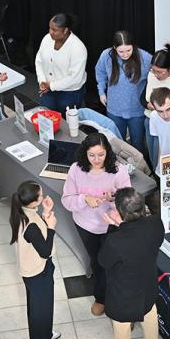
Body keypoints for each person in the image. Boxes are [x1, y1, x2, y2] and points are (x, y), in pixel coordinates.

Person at [61, 132, 131, 316]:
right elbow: (67, 200)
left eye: (101, 154)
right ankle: (100, 297)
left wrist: (114, 199)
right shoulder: (76, 169)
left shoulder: (118, 171)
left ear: (107, 152)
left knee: (114, 264)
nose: (97, 159)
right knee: (97, 262)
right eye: (92, 155)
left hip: (111, 225)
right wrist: (84, 198)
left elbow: (128, 202)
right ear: (85, 153)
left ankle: (117, 300)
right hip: (85, 226)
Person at [98, 187, 165, 339]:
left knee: (121, 333)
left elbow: (104, 260)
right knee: (150, 317)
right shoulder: (156, 223)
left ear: (120, 213)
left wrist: (113, 227)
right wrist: (122, 225)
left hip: (123, 295)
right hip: (148, 286)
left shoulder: (116, 240)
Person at [9, 180, 63, 339]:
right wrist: (52, 226)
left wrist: (46, 213)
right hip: (38, 273)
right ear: (33, 202)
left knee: (39, 309)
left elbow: (36, 235)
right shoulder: (30, 224)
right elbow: (45, 251)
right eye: (41, 195)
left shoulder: (23, 213)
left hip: (32, 271)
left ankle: (45, 333)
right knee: (41, 313)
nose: (43, 196)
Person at [95, 30, 151, 154]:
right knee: (116, 143)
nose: (125, 54)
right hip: (114, 108)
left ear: (133, 47)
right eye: (121, 51)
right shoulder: (106, 55)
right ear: (114, 48)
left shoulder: (145, 57)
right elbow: (100, 72)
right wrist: (101, 91)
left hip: (136, 110)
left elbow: (154, 77)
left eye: (128, 50)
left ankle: (140, 171)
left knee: (137, 144)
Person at [140, 41, 170, 170]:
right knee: (152, 157)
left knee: (163, 160)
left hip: (167, 125)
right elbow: (142, 98)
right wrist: (147, 104)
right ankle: (156, 182)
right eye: (154, 70)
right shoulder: (152, 76)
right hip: (150, 120)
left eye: (160, 72)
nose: (156, 75)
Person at [35, 13, 87, 116]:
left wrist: (52, 85)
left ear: (65, 30)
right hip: (48, 90)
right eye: (49, 28)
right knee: (46, 118)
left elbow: (75, 78)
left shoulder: (78, 48)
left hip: (69, 93)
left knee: (66, 123)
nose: (50, 32)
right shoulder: (47, 39)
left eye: (54, 30)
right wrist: (42, 81)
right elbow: (39, 61)